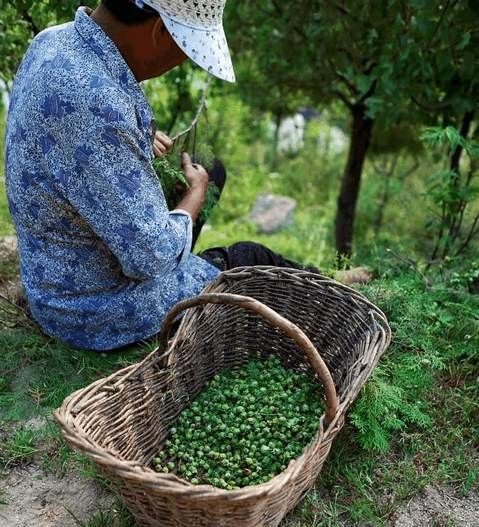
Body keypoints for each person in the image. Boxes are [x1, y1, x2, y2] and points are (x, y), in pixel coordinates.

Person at [5, 0, 366, 352]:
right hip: (91, 309)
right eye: (186, 50)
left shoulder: (53, 41)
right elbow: (150, 257)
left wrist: (132, 139)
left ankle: (314, 277)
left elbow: (71, 146)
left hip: (53, 275)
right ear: (161, 30)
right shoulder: (97, 103)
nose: (181, 63)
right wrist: (194, 196)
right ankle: (325, 286)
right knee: (245, 257)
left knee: (213, 167)